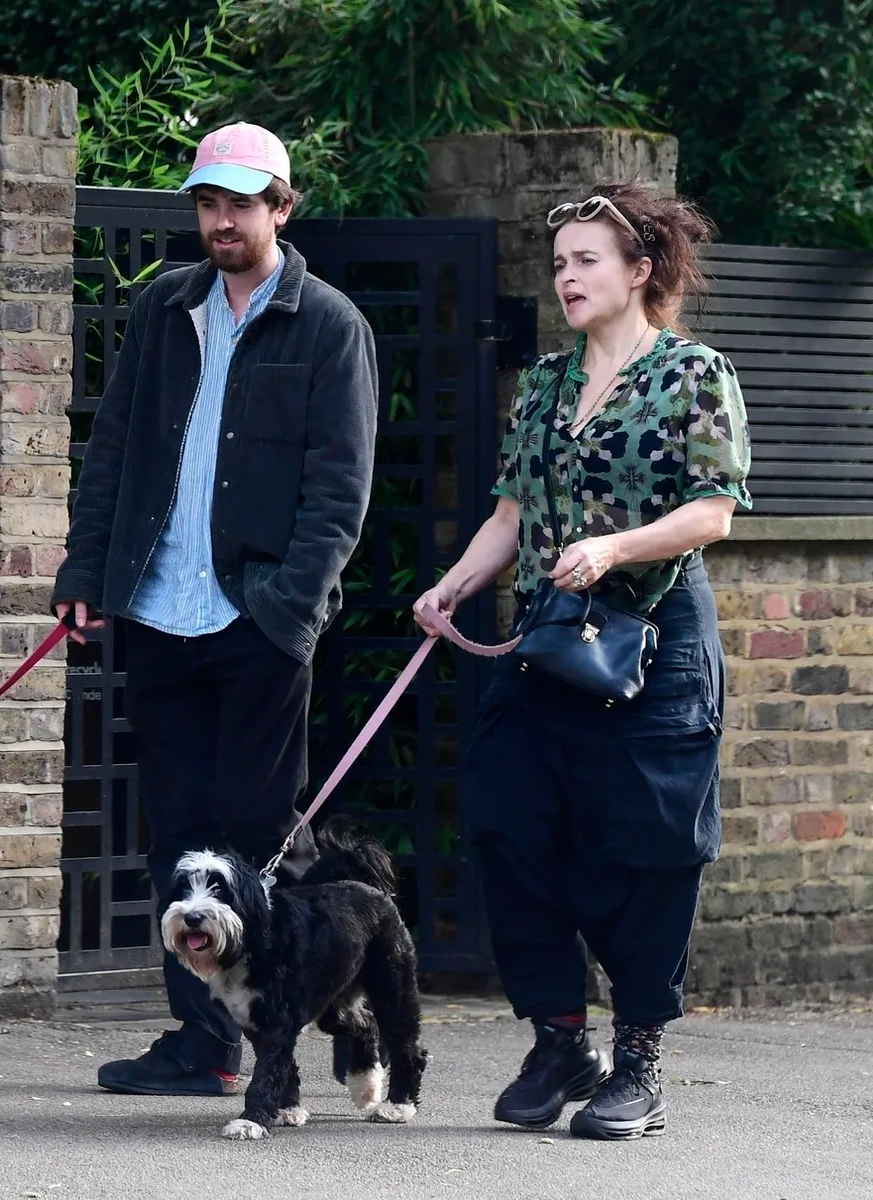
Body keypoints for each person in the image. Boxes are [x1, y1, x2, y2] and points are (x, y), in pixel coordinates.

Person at [414, 181, 750, 1140]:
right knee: (506, 823)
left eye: (585, 260)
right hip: (548, 637)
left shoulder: (693, 373)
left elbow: (712, 511)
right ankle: (559, 1036)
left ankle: (637, 1061)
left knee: (644, 846)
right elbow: (509, 517)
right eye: (558, 263)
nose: (565, 277)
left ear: (640, 271)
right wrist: (452, 586)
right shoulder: (545, 386)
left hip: (653, 639)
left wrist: (614, 546)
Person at [51, 123, 378, 1096]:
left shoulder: (328, 326)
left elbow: (339, 492)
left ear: (282, 205)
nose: (221, 219)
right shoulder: (163, 308)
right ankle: (203, 1044)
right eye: (207, 202)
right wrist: (84, 572)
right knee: (180, 837)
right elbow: (111, 449)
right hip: (156, 611)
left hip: (257, 623)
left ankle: (335, 1009)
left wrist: (287, 610)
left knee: (266, 834)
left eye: (240, 202)